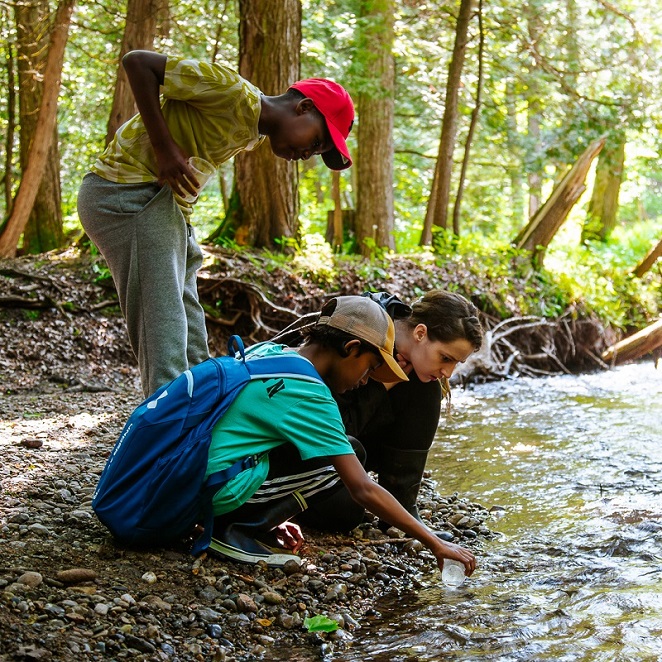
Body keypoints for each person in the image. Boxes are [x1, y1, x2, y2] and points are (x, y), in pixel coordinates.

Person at [77, 50, 355, 397]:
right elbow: (138, 63)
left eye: (315, 153)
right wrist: (164, 149)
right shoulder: (231, 91)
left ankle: (201, 400)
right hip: (123, 194)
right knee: (164, 321)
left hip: (158, 204)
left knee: (188, 310)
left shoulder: (251, 130)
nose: (306, 155)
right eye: (315, 142)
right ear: (304, 108)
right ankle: (169, 424)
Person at [205, 295, 477, 579]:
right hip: (217, 489)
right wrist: (434, 543)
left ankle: (254, 520)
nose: (364, 380)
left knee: (348, 502)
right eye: (370, 370)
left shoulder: (273, 352)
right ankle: (235, 530)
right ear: (351, 348)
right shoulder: (310, 392)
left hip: (207, 472)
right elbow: (362, 487)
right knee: (352, 458)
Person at [272, 290, 484, 535]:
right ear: (420, 333)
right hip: (297, 449)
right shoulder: (356, 330)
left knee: (424, 385)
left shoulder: (416, 367)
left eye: (456, 363)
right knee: (345, 512)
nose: (448, 372)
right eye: (445, 358)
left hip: (349, 445)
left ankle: (403, 505)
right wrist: (382, 385)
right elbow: (322, 425)